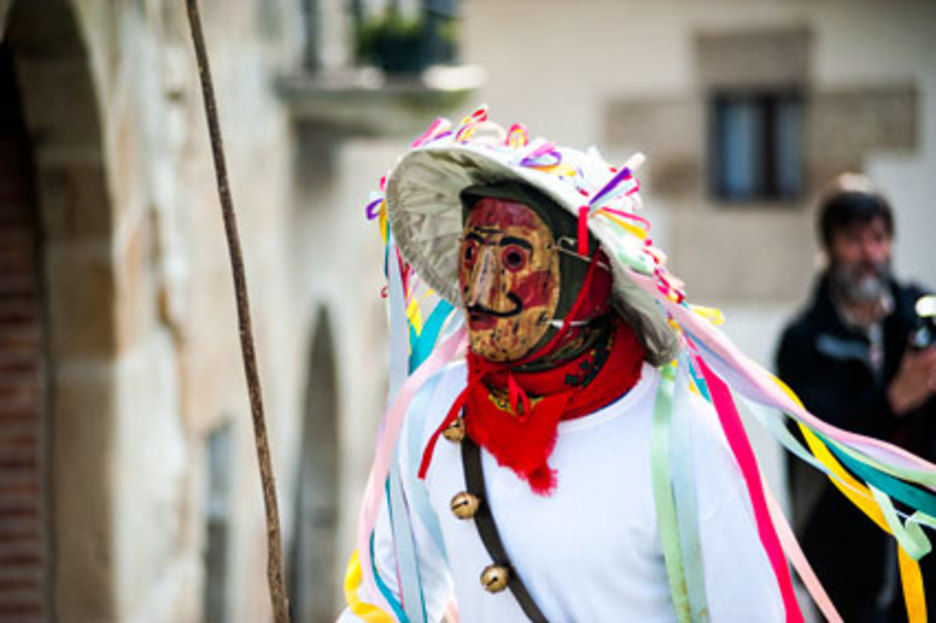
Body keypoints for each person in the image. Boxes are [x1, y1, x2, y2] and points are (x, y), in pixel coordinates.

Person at [342, 110, 936, 622]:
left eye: (515, 257)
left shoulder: (677, 434)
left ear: (583, 278)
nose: (481, 286)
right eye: (472, 254)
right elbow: (390, 596)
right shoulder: (432, 411)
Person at [776, 173, 936, 621]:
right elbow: (819, 442)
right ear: (828, 248)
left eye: (879, 238)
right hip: (844, 558)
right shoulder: (803, 340)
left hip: (924, 551)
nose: (870, 254)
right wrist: (893, 400)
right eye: (854, 240)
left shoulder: (920, 314)